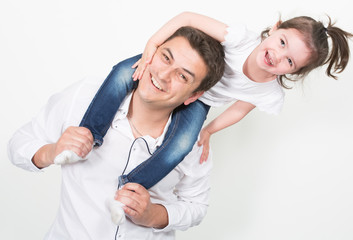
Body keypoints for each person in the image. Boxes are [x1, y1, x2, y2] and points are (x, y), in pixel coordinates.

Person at [60, 11, 353, 193]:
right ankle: (88, 134)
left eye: (289, 61)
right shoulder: (242, 39)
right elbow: (188, 18)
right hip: (188, 69)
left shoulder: (269, 91)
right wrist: (152, 45)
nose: (277, 56)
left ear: (292, 73)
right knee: (122, 72)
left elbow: (238, 110)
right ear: (276, 27)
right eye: (282, 42)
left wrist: (209, 130)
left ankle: (131, 185)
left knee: (180, 145)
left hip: (201, 100)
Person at [7, 26, 225, 239]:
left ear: (194, 96)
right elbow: (19, 144)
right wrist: (52, 151)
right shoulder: (86, 97)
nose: (163, 74)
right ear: (151, 52)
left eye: (182, 77)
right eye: (166, 58)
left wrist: (153, 215)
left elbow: (196, 206)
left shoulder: (191, 142)